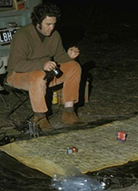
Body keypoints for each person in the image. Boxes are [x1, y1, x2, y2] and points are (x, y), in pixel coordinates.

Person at [6, 3, 84, 131]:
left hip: (46, 74)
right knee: (38, 75)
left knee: (74, 66)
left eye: (54, 24)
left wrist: (69, 56)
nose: (51, 28)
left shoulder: (54, 35)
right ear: (38, 22)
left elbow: (60, 58)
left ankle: (69, 112)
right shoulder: (23, 35)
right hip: (18, 75)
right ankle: (40, 118)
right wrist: (41, 65)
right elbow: (17, 64)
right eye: (48, 24)